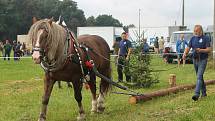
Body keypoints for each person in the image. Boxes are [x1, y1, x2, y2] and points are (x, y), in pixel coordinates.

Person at [183, 25, 211, 101]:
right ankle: (204, 93)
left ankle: (196, 94)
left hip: (203, 60)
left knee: (199, 76)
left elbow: (209, 49)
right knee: (200, 77)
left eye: (197, 31)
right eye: (194, 31)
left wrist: (201, 50)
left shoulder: (206, 38)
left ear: (201, 31)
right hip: (195, 60)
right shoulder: (193, 38)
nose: (195, 32)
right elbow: (188, 47)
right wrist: (185, 54)